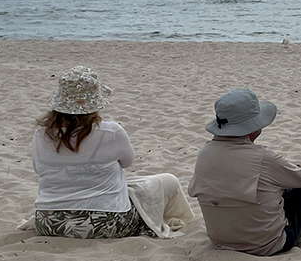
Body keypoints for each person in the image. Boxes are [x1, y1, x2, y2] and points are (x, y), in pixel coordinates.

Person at [31, 65, 193, 239]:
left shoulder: (41, 134)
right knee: (168, 181)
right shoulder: (110, 132)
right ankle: (182, 220)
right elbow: (128, 162)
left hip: (48, 222)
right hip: (105, 222)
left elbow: (37, 168)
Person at [188, 88, 301, 256]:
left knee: (272, 184)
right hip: (267, 243)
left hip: (220, 241)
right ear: (252, 128)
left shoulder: (204, 153)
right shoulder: (264, 159)